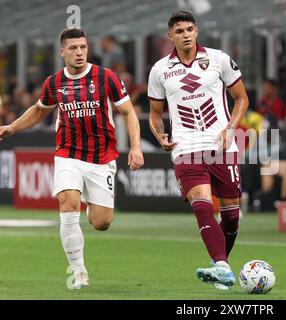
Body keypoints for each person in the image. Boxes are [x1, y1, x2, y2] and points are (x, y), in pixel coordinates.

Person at [0, 28, 144, 289]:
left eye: (83, 47)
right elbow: (38, 111)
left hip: (102, 157)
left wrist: (135, 147)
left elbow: (128, 112)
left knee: (101, 223)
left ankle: (90, 199)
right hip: (68, 154)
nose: (79, 52)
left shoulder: (106, 77)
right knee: (67, 203)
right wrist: (12, 127)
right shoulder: (53, 82)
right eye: (74, 48)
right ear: (62, 52)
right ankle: (78, 272)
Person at [148, 11, 249, 290]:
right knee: (202, 205)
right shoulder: (160, 70)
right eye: (179, 31)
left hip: (221, 146)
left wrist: (231, 127)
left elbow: (241, 98)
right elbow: (155, 114)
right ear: (171, 36)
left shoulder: (219, 59)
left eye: (190, 29)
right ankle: (221, 266)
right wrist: (159, 134)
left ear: (197, 31)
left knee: (231, 215)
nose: (186, 35)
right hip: (186, 148)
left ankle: (221, 266)